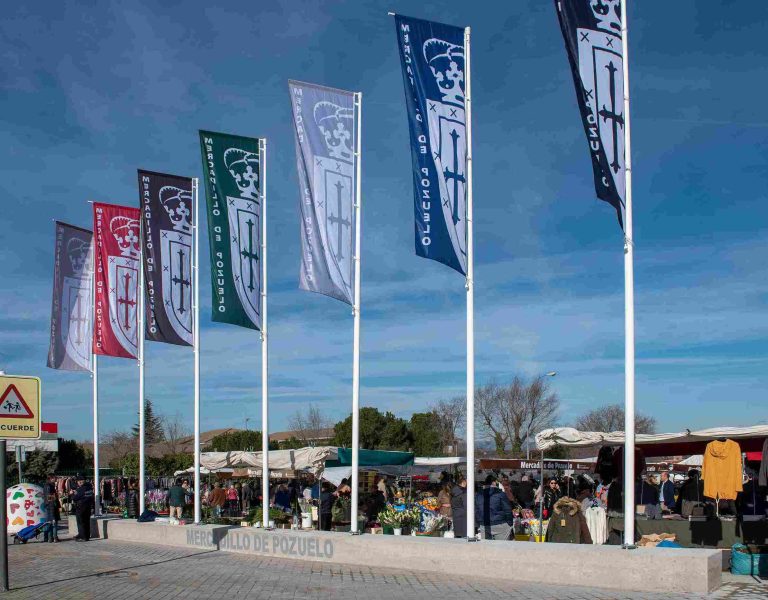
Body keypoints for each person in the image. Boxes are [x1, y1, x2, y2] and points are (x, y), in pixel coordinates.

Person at [475, 475, 513, 540]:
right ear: (494, 483)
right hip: (500, 524)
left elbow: (476, 510)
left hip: (484, 524)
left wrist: (478, 522)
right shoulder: (500, 493)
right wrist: (510, 523)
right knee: (502, 547)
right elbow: (507, 510)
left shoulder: (478, 494)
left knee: (487, 547)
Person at [70, 473, 94, 542]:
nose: (79, 482)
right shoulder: (89, 486)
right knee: (86, 522)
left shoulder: (81, 489)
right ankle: (84, 535)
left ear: (83, 481)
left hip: (81, 507)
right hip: (88, 506)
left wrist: (72, 494)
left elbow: (74, 498)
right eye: (78, 481)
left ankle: (83, 537)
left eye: (81, 480)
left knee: (81, 522)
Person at [43, 474, 60, 543]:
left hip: (49, 506)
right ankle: (54, 538)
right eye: (55, 478)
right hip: (51, 506)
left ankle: (50, 538)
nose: (56, 479)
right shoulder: (49, 486)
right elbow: (50, 498)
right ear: (51, 478)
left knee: (50, 522)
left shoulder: (49, 485)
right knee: (53, 522)